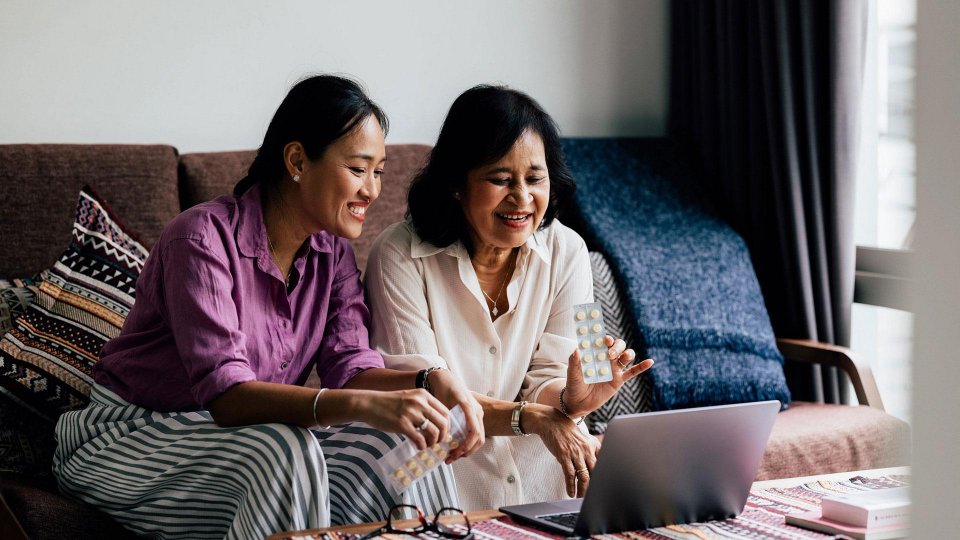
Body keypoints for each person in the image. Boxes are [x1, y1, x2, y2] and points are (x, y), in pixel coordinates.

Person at [51, 74, 484, 540]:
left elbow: (351, 369)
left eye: (378, 172)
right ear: (297, 160)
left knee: (401, 442)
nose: (372, 191)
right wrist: (362, 405)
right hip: (130, 438)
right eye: (359, 169)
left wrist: (430, 381)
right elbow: (229, 396)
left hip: (237, 440)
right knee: (284, 448)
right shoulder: (199, 239)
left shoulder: (332, 253)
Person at [365, 84, 655, 511]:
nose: (522, 197)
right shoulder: (396, 253)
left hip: (545, 475)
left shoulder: (570, 250)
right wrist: (531, 418)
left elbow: (565, 376)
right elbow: (427, 395)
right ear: (456, 185)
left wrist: (574, 399)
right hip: (432, 468)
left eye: (535, 178)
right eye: (500, 179)